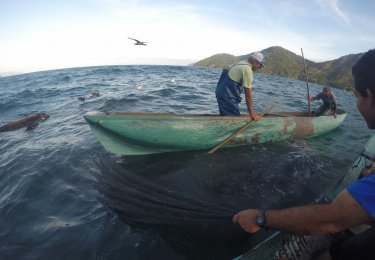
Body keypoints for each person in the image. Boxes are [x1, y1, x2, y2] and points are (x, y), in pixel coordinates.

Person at [232, 49, 375, 259]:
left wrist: (260, 218)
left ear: (369, 96)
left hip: (330, 112)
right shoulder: (323, 94)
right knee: (316, 113)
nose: (357, 103)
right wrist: (310, 98)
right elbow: (315, 97)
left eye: (356, 96)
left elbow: (331, 219)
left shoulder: (333, 97)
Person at [215, 52, 265, 119]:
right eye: (260, 64)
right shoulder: (247, 70)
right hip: (227, 97)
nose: (260, 67)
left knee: (225, 118)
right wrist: (252, 113)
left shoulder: (240, 63)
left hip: (220, 92)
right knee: (233, 121)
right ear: (254, 61)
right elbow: (248, 96)